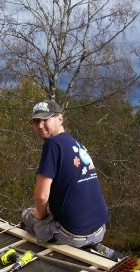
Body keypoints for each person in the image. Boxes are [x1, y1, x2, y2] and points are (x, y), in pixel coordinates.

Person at [20, 100, 122, 261]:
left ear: (60, 118)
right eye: (36, 122)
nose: (40, 126)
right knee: (50, 212)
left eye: (45, 119)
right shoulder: (77, 144)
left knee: (28, 216)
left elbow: (41, 197)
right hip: (99, 228)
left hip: (74, 235)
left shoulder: (52, 145)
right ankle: (95, 247)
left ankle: (75, 244)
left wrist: (39, 216)